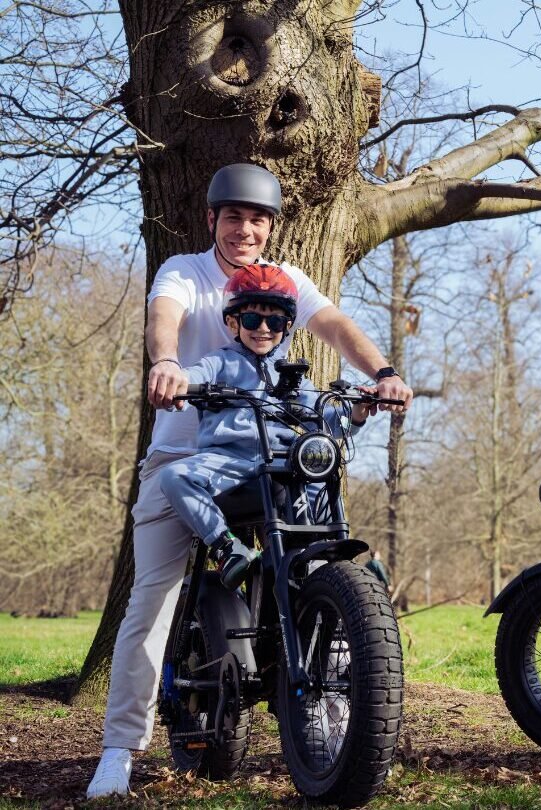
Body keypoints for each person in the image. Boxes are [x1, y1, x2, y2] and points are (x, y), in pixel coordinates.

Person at [87, 163, 413, 799]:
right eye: (233, 217)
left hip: (273, 461)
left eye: (257, 219)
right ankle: (120, 749)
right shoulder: (184, 270)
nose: (245, 229)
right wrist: (167, 364)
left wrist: (385, 373)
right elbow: (165, 318)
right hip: (185, 455)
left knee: (327, 568)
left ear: (271, 227)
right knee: (152, 596)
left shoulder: (286, 282)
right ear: (212, 220)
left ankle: (335, 709)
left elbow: (336, 326)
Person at [158, 263, 372, 588]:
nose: (263, 328)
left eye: (274, 320)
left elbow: (326, 420)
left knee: (323, 476)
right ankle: (227, 547)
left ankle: (342, 575)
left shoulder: (291, 375)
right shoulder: (220, 362)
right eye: (251, 319)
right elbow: (194, 376)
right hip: (230, 461)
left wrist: (355, 412)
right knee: (175, 476)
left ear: (286, 326)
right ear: (233, 322)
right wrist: (178, 381)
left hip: (285, 464)